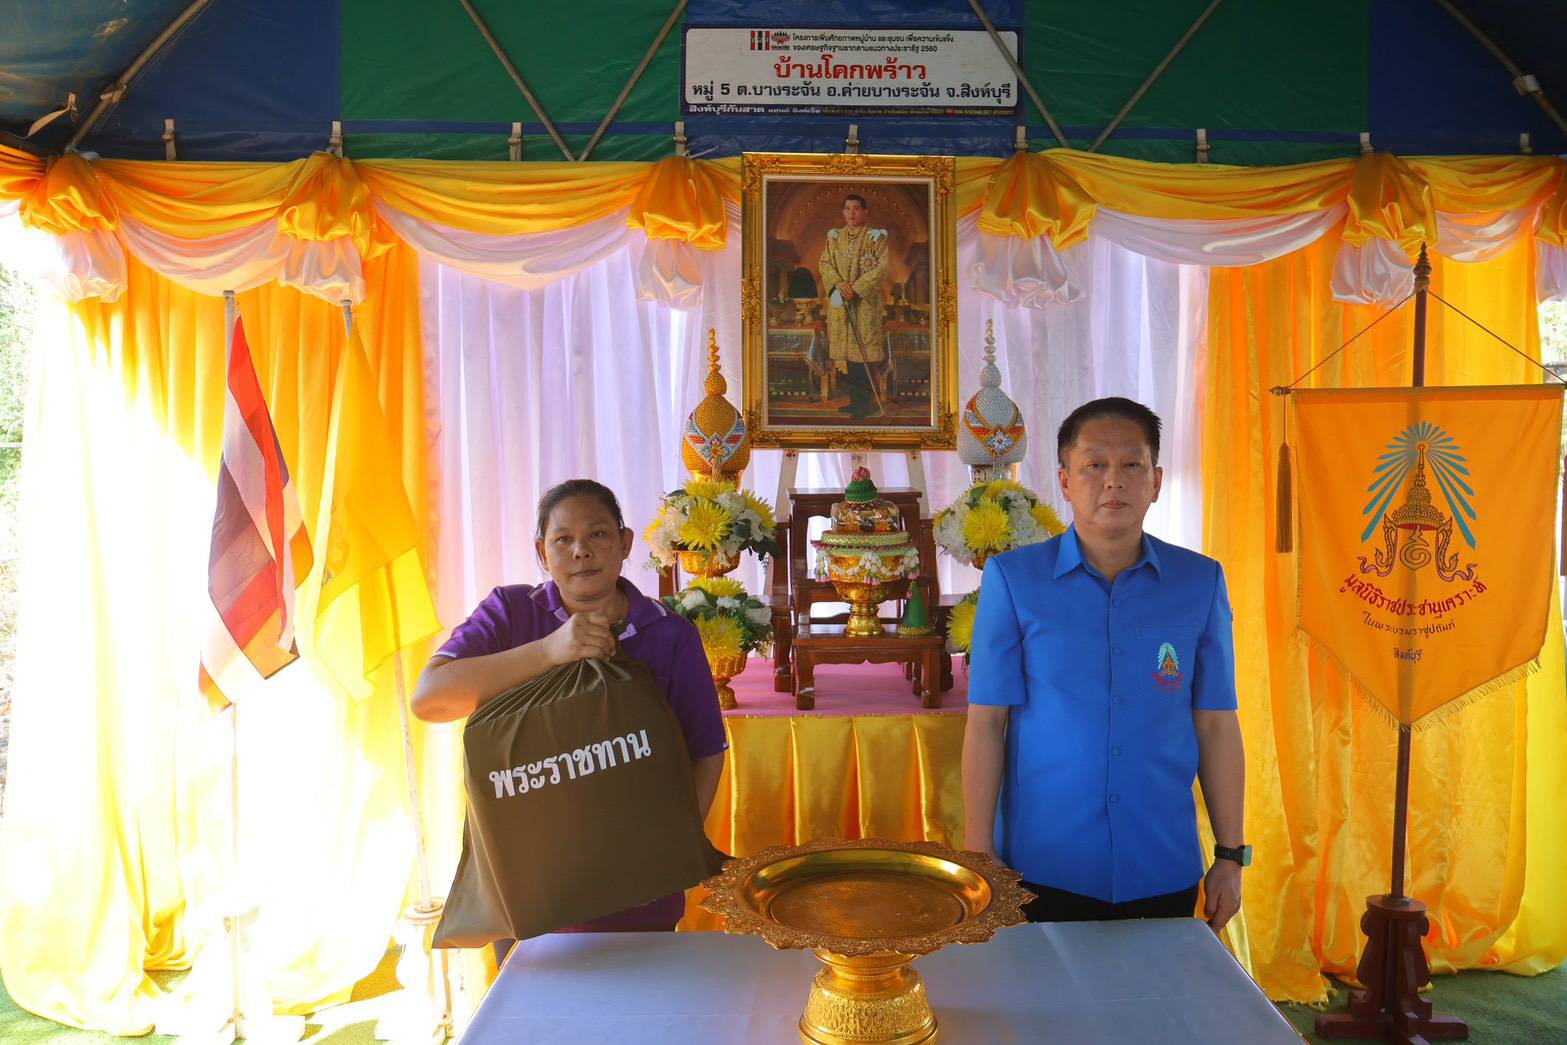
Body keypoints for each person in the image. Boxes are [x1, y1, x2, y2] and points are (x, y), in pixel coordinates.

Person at [961, 397, 1248, 932]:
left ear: (1156, 481)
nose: (1113, 480)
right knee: (1043, 990)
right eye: (1094, 464)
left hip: (1160, 860)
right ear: (1066, 481)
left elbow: (1215, 723)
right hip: (1041, 864)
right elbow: (987, 723)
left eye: (1132, 464)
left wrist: (1230, 855)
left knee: (1153, 988)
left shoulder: (1199, 581)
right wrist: (980, 852)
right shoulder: (1014, 580)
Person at [413, 478, 727, 932]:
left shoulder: (669, 633)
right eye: (563, 539)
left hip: (638, 892)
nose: (581, 550)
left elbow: (707, 751)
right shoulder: (510, 612)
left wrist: (666, 855)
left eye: (598, 533)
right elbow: (430, 699)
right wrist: (548, 651)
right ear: (541, 553)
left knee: (641, 978)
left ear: (625, 543)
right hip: (530, 892)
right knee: (533, 980)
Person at [818, 193, 890, 410]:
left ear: (864, 212)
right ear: (843, 212)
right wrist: (839, 284)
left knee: (862, 354)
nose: (852, 213)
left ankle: (864, 404)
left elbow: (882, 268)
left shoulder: (875, 238)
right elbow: (824, 263)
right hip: (841, 303)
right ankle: (854, 402)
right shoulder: (834, 238)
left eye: (856, 208)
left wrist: (856, 289)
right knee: (848, 357)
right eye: (848, 208)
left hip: (864, 305)